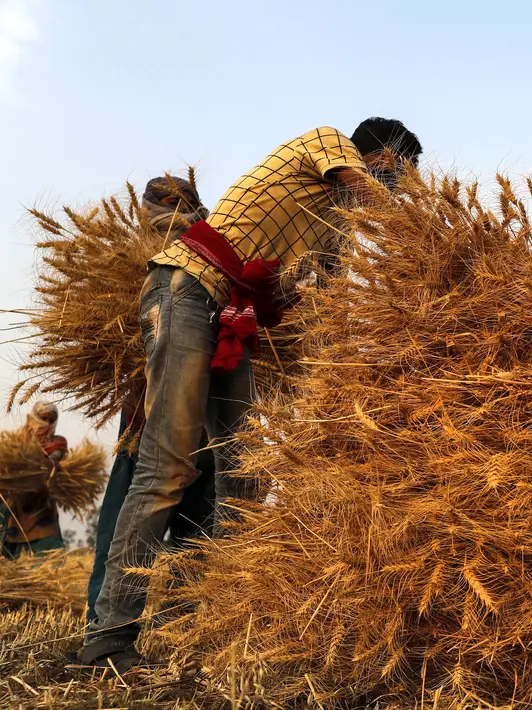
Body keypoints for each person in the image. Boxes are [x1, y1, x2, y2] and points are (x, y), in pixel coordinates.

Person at [80, 119, 423, 672]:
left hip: (233, 317)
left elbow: (326, 302)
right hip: (188, 291)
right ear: (381, 155)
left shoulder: (334, 225)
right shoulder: (328, 140)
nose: (401, 187)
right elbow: (373, 198)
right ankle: (109, 635)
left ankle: (212, 619)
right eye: (400, 173)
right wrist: (433, 230)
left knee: (244, 474)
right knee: (167, 468)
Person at [85, 177, 217, 624]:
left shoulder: (201, 262)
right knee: (171, 537)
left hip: (183, 427)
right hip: (158, 427)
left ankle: (163, 633)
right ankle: (122, 628)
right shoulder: (143, 268)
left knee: (182, 541)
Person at [2, 403, 68, 559]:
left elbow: (52, 464)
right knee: (11, 550)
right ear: (34, 417)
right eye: (43, 418)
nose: (47, 423)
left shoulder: (57, 443)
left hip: (42, 506)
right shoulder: (17, 440)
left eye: (51, 420)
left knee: (48, 553)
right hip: (17, 505)